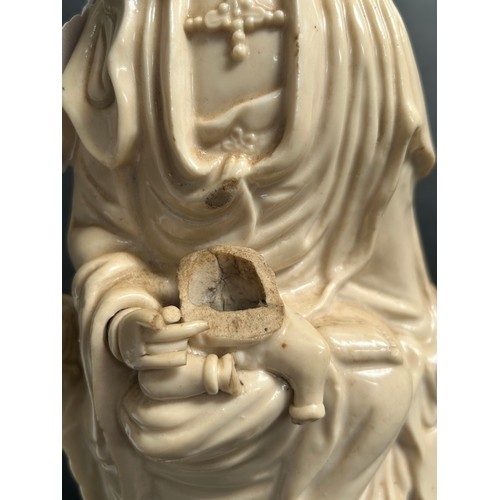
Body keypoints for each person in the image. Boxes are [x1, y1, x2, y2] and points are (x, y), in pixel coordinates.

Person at [62, 1, 436, 498]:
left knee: (379, 379)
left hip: (322, 334)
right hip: (170, 362)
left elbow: (389, 284)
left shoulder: (359, 32)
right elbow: (106, 243)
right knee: (152, 419)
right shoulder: (132, 29)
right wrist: (128, 326)